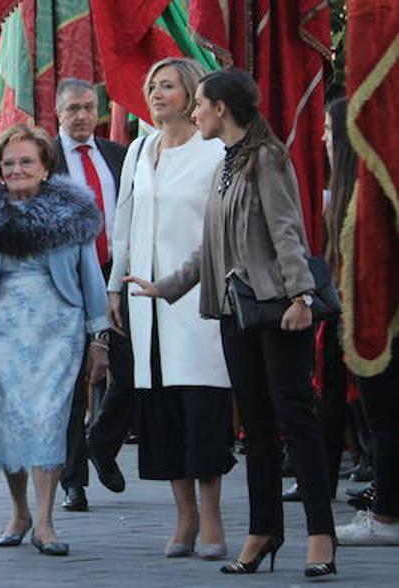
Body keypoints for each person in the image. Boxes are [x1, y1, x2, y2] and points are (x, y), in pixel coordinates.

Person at [129, 69, 337, 577]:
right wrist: (167, 286)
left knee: (295, 420)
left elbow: (289, 232)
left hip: (279, 310)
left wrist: (302, 296)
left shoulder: (267, 159)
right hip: (234, 311)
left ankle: (320, 535)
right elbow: (211, 246)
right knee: (257, 430)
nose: (194, 111)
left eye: (200, 103)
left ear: (222, 108)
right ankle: (264, 530)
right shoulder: (225, 165)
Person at [0, 124, 109, 557]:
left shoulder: (72, 213)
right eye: (9, 163)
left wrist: (100, 339)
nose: (17, 169)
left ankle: (44, 521)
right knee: (6, 425)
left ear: (44, 168)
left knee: (48, 421)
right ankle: (18, 511)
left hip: (58, 331)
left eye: (26, 161)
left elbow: (90, 277)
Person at [107, 58, 233, 559]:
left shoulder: (214, 152)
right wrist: (115, 287)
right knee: (160, 411)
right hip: (146, 302)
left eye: (169, 86)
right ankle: (183, 519)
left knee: (202, 407)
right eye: (152, 86)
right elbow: (124, 222)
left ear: (192, 94)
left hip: (198, 302)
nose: (157, 94)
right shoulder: (140, 148)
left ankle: (212, 518)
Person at [50, 77, 131, 512]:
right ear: (58, 113)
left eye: (88, 107)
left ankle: (102, 442)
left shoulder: (118, 156)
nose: (82, 116)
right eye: (73, 109)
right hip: (66, 282)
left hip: (116, 275)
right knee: (72, 384)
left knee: (131, 374)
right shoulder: (45, 159)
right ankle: (72, 480)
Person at [329, 96, 397, 547]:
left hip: (378, 322)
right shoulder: (353, 192)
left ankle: (387, 517)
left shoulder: (365, 197)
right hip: (366, 317)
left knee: (385, 421)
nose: (320, 138)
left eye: (327, 129)